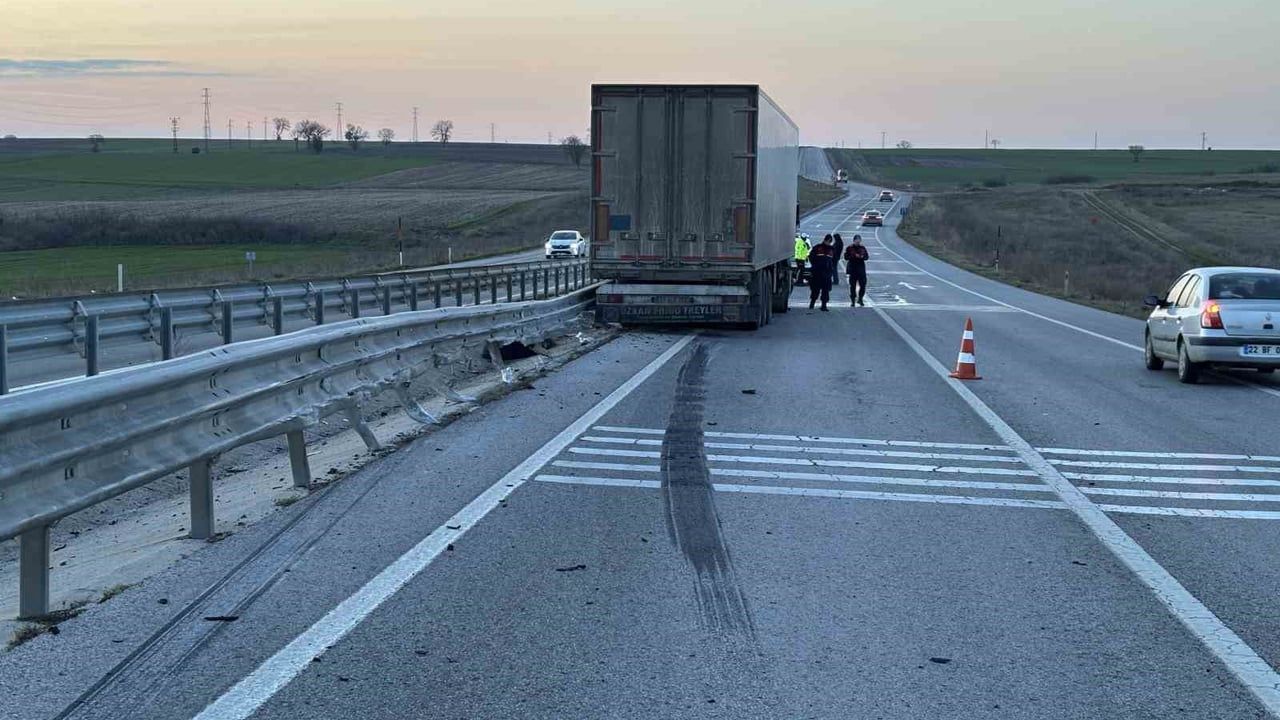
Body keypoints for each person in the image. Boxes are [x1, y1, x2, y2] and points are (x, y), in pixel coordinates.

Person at [807, 234, 836, 311]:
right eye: (827, 241)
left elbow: (834, 260)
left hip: (827, 273)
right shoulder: (818, 247)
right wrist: (816, 265)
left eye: (830, 242)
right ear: (825, 240)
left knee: (826, 290)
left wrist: (831, 269)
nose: (828, 243)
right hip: (817, 272)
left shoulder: (831, 249)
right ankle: (812, 303)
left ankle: (824, 305)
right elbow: (811, 257)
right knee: (815, 289)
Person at [844, 234, 870, 307]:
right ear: (854, 240)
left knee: (863, 285)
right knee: (852, 286)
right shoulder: (849, 248)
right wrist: (853, 256)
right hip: (853, 269)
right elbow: (846, 257)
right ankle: (853, 300)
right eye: (856, 241)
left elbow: (867, 257)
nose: (858, 242)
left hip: (861, 269)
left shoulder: (862, 248)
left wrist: (862, 257)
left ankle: (860, 298)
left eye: (859, 241)